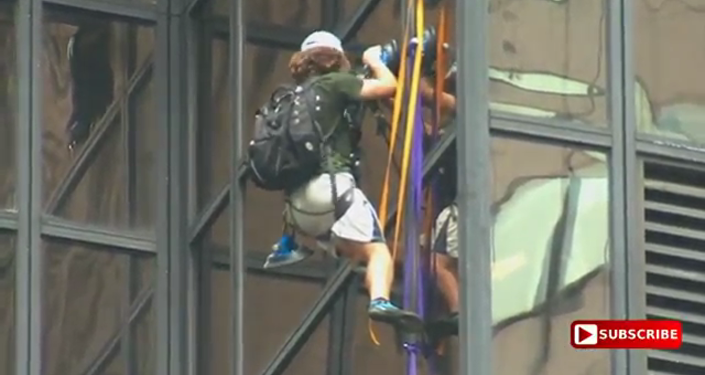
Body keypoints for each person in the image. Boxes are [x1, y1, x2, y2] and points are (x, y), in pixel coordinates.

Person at [264, 31, 424, 331]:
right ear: (336, 59)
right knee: (378, 251)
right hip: (333, 192)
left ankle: (377, 283)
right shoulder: (335, 83)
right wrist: (375, 60)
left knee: (362, 253)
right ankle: (379, 301)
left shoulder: (291, 97)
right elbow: (389, 87)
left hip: (299, 211)